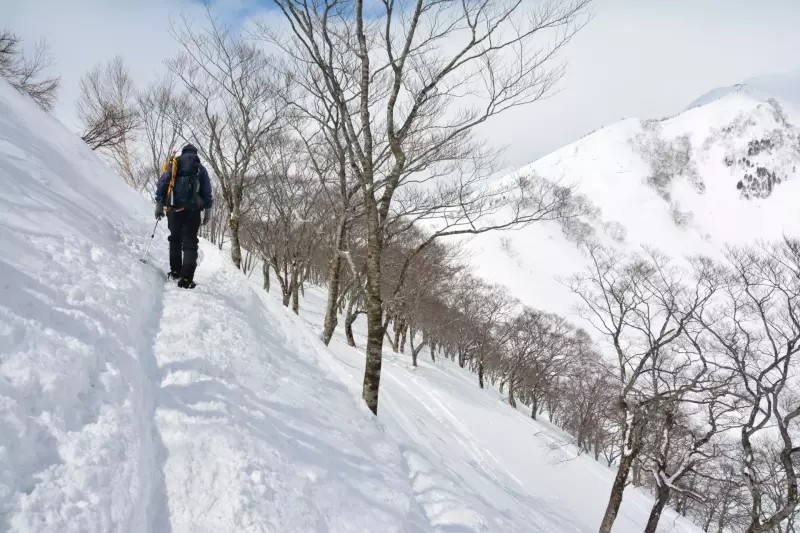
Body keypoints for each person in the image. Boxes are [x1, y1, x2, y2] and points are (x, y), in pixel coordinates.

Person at [154, 144, 213, 289]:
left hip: (174, 208)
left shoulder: (175, 164)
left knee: (175, 239)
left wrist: (159, 204)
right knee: (190, 242)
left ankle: (175, 272)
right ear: (195, 153)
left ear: (183, 152)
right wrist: (208, 210)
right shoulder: (200, 169)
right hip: (193, 210)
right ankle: (186, 278)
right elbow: (207, 191)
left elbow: (163, 182)